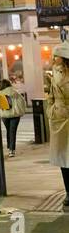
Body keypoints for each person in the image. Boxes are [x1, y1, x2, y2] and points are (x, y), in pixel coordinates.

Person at [44, 43, 69, 210]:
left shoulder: (56, 73)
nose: (54, 59)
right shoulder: (54, 74)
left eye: (56, 57)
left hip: (60, 116)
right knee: (63, 158)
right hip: (60, 116)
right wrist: (51, 108)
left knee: (64, 158)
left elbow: (50, 95)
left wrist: (52, 108)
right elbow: (50, 95)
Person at [0, 78, 28, 158]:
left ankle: (9, 146)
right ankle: (11, 150)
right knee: (13, 131)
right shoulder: (15, 92)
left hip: (4, 115)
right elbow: (22, 102)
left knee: (8, 130)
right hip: (15, 115)